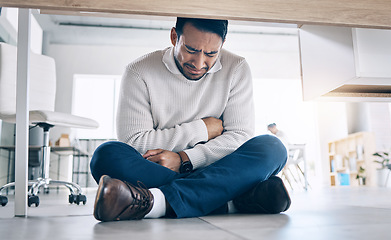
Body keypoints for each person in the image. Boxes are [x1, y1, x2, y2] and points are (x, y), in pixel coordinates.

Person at [90, 17, 291, 222]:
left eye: (212, 53)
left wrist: (185, 159)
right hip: (165, 170)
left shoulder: (236, 67)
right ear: (174, 37)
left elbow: (239, 136)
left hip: (218, 167)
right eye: (191, 50)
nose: (199, 63)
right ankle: (233, 200)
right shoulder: (139, 71)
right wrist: (202, 129)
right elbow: (134, 142)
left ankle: (156, 203)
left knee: (273, 148)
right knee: (106, 155)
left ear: (222, 45)